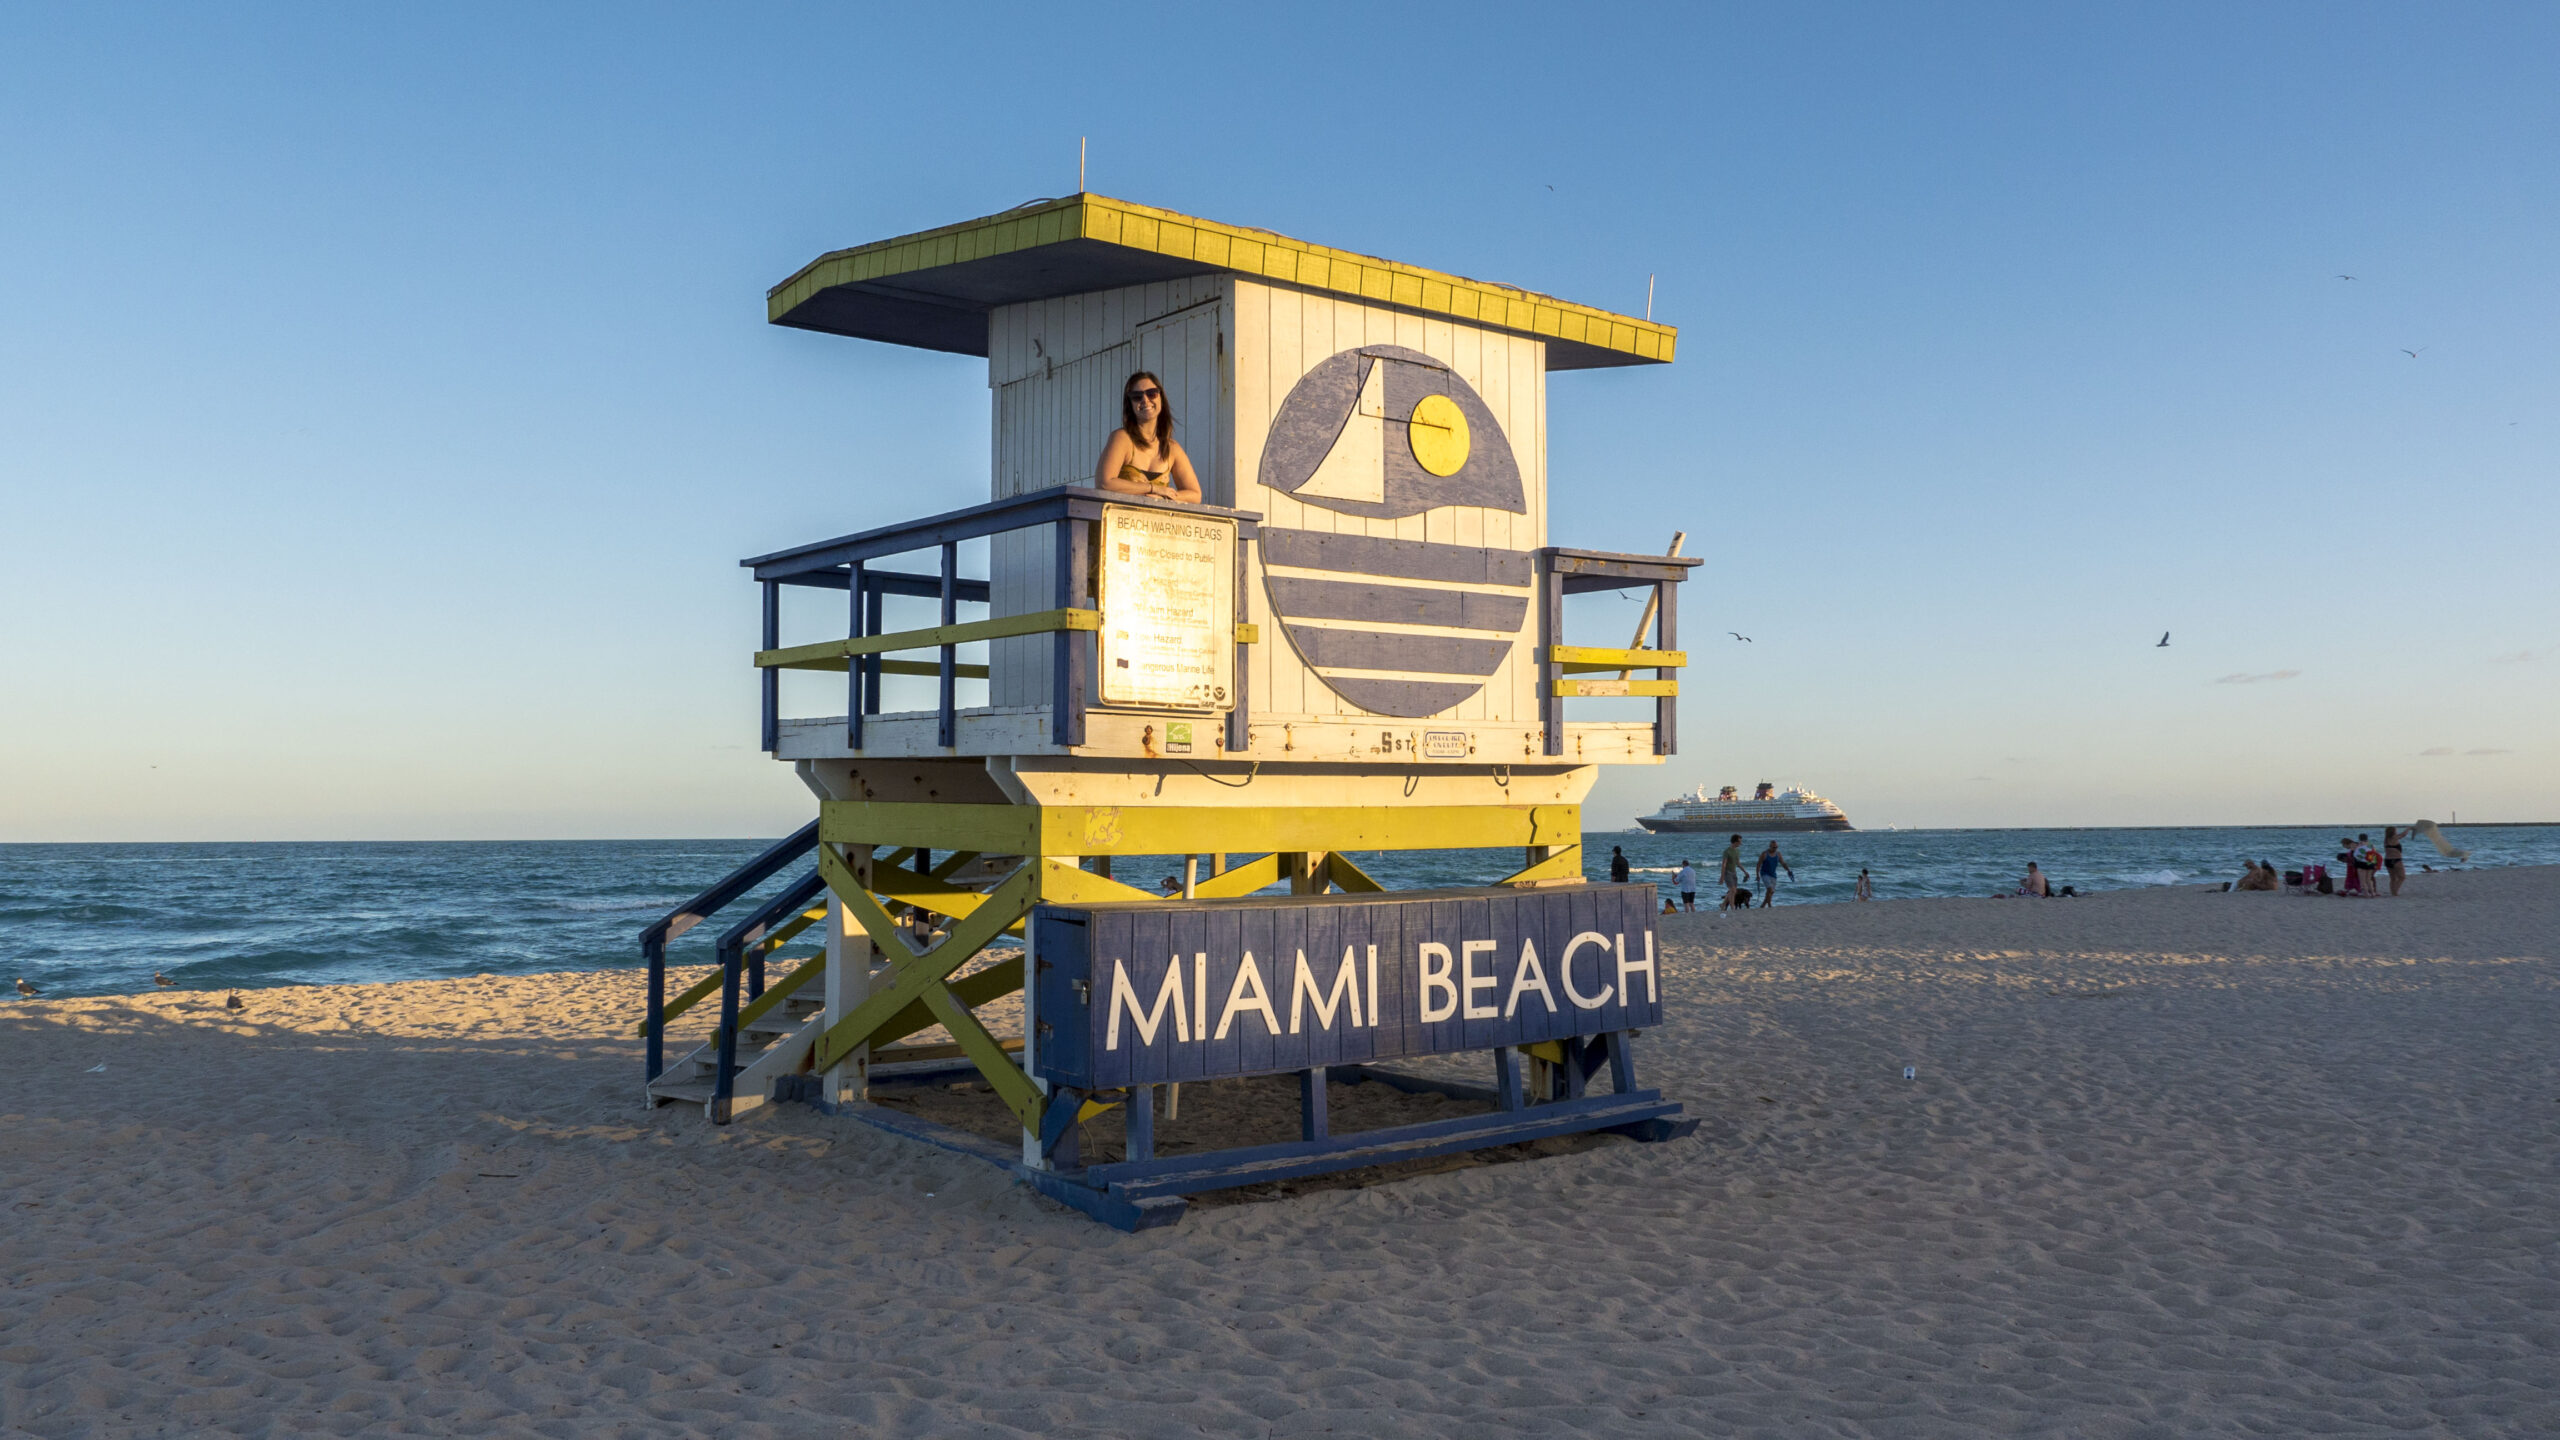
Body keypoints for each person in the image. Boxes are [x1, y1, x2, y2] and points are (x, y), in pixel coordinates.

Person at [1094, 371, 1203, 503]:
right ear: (1130, 405)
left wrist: (1165, 496)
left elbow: (1195, 494)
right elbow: (1105, 483)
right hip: (1121, 521)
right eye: (1136, 396)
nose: (1145, 400)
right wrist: (1152, 489)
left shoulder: (1172, 448)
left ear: (1161, 398)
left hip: (1156, 522)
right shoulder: (1122, 438)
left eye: (1152, 393)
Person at [1756, 842, 1793, 908]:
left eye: (1776, 847)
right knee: (1769, 889)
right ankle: (1769, 905)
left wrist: (1788, 870)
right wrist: (1757, 875)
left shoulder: (1778, 854)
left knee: (1772, 892)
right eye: (1773, 847)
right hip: (1764, 873)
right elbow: (1758, 865)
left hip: (1773, 874)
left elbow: (1783, 863)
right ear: (1770, 846)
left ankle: (1763, 905)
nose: (1775, 848)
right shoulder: (1764, 854)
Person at [2382, 826, 2406, 896]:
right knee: (2402, 877)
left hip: (2387, 861)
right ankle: (2395, 892)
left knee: (2393, 878)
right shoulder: (2394, 838)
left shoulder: (2386, 840)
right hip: (2396, 860)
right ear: (2393, 832)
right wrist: (2409, 828)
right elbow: (2403, 835)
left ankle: (2393, 892)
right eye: (2396, 830)